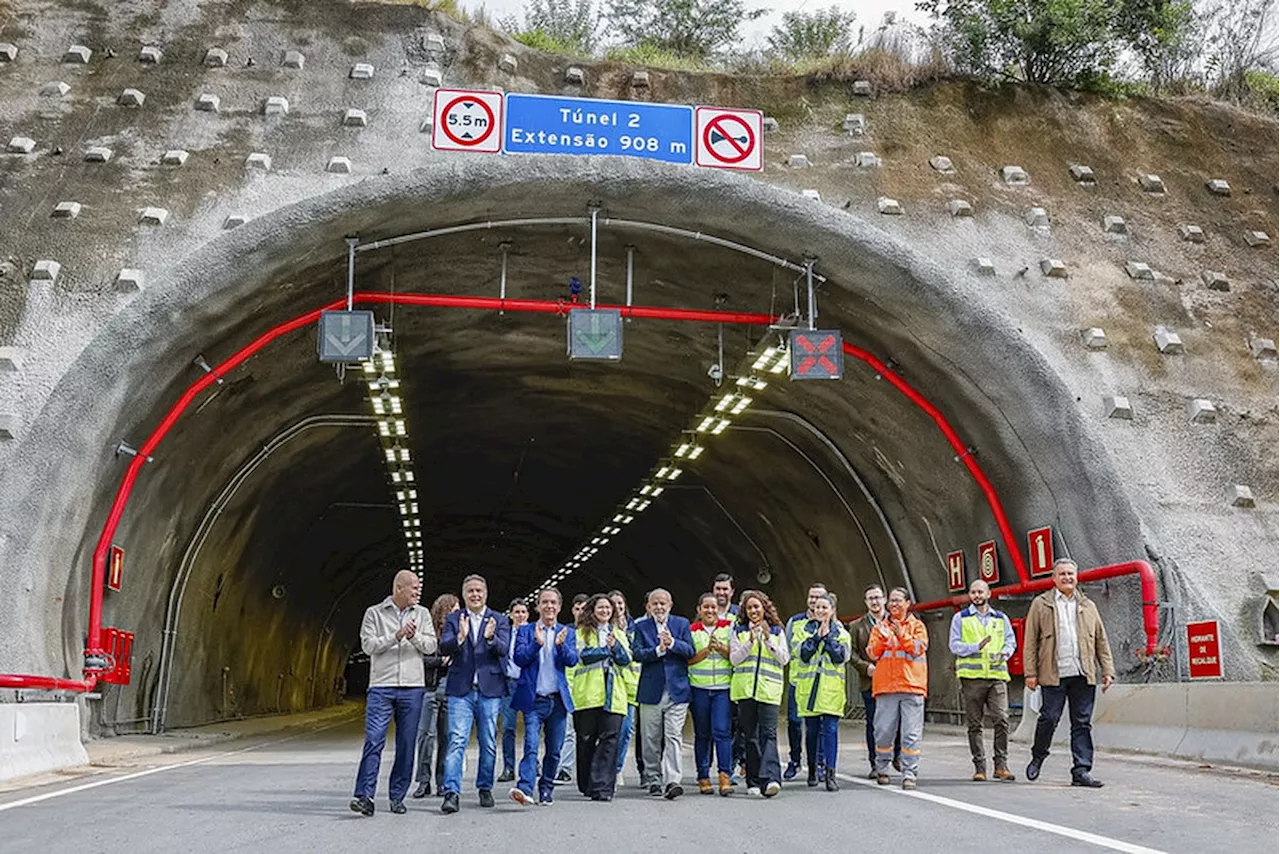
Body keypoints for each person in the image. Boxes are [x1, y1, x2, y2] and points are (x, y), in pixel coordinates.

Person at [350, 570, 438, 817]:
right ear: (399, 588)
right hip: (381, 686)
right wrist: (396, 635)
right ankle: (364, 796)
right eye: (413, 588)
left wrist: (414, 636)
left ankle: (397, 796)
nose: (418, 592)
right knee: (374, 741)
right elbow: (368, 646)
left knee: (406, 744)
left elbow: (431, 646)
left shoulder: (421, 614)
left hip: (412, 687)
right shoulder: (374, 613)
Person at [1024, 558, 1116, 788]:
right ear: (1054, 578)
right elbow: (1030, 641)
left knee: (1082, 723)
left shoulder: (1088, 606)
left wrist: (1107, 670)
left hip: (1082, 673)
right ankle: (1038, 755)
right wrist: (1030, 673)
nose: (1067, 578)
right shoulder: (1040, 604)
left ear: (1076, 577)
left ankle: (1081, 770)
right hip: (1052, 672)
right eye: (1062, 574)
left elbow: (1101, 641)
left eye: (1071, 574)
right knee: (1049, 718)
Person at [438, 574, 511, 814]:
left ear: (486, 593)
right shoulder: (453, 618)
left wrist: (490, 638)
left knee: (488, 742)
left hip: (489, 690)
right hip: (461, 690)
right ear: (464, 594)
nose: (475, 595)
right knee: (456, 740)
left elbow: (504, 650)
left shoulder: (499, 619)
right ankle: (451, 792)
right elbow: (444, 646)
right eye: (470, 591)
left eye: (479, 590)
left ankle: (485, 787)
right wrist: (459, 637)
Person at [508, 588, 577, 807]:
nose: (549, 606)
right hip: (534, 699)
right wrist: (536, 644)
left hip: (557, 701)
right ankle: (525, 787)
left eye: (553, 602)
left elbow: (573, 660)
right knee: (530, 745)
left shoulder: (567, 632)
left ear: (559, 606)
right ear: (538, 606)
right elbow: (519, 658)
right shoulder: (526, 631)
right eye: (544, 602)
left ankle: (546, 788)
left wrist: (561, 646)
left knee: (554, 750)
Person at [949, 579, 1017, 782]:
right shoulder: (960, 618)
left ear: (989, 593)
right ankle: (980, 767)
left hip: (996, 676)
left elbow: (1010, 640)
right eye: (973, 592)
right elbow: (954, 645)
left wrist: (1005, 652)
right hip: (972, 679)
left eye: (980, 592)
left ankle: (1001, 765)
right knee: (975, 724)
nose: (977, 595)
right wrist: (975, 646)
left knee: (1002, 719)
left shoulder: (1000, 618)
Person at [633, 588, 695, 800]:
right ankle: (653, 778)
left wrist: (673, 644)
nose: (659, 607)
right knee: (650, 738)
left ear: (670, 605)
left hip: (677, 691)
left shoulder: (681, 624)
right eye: (655, 603)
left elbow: (690, 651)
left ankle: (673, 780)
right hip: (651, 691)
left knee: (673, 736)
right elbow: (637, 653)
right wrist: (658, 650)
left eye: (663, 603)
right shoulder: (641, 627)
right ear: (649, 607)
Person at [569, 593, 632, 801]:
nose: (605, 611)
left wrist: (615, 648)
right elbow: (583, 656)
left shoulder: (619, 633)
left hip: (613, 695)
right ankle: (587, 783)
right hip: (588, 695)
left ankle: (603, 787)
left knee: (610, 741)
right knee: (586, 741)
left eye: (608, 607)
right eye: (601, 607)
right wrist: (607, 650)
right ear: (592, 611)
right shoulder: (581, 633)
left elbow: (625, 659)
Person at [867, 587, 928, 790]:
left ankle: (909, 773)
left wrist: (902, 635)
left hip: (912, 687)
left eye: (897, 600)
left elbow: (918, 648)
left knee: (911, 733)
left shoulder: (917, 626)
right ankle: (882, 768)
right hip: (886, 688)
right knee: (883, 732)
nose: (893, 604)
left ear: (907, 603)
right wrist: (885, 638)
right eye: (891, 601)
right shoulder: (879, 628)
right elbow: (872, 653)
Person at [730, 589, 789, 798]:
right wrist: (751, 641)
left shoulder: (776, 631)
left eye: (757, 606)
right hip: (746, 691)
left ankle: (772, 778)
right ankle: (753, 781)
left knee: (769, 735)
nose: (754, 610)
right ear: (745, 611)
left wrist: (767, 640)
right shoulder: (739, 631)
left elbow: (784, 659)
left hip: (769, 690)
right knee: (750, 737)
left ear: (764, 608)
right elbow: (734, 659)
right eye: (750, 608)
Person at [797, 592, 850, 791]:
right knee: (811, 732)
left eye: (824, 608)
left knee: (830, 731)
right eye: (817, 607)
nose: (820, 611)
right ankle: (812, 769)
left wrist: (827, 638)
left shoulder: (842, 633)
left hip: (831, 691)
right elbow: (803, 654)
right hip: (809, 690)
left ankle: (830, 773)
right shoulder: (803, 630)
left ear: (832, 610)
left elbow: (840, 657)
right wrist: (817, 637)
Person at [848, 584, 900, 779]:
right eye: (871, 598)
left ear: (885, 599)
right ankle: (876, 762)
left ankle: (897, 755)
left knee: (897, 720)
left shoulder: (896, 622)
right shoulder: (857, 626)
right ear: (866, 602)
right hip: (870, 681)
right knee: (874, 723)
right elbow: (850, 653)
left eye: (878, 597)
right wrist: (865, 667)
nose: (875, 602)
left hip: (895, 681)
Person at [688, 592, 735, 795]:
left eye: (713, 607)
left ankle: (725, 775)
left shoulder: (729, 627)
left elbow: (737, 655)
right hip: (699, 688)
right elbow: (687, 659)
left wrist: (721, 648)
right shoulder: (691, 631)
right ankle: (703, 776)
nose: (710, 611)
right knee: (703, 734)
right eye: (706, 607)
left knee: (722, 731)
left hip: (723, 689)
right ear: (699, 609)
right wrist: (705, 652)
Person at [412, 593, 458, 799]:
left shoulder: (460, 631)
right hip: (429, 688)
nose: (458, 613)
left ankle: (441, 781)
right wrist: (440, 661)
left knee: (446, 737)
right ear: (445, 610)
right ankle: (423, 781)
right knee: (426, 737)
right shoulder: (428, 631)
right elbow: (419, 659)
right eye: (454, 609)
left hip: (450, 689)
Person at [783, 582, 828, 781]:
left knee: (817, 725)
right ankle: (794, 760)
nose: (814, 601)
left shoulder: (831, 624)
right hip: (798, 681)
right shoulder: (795, 621)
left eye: (819, 597)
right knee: (794, 721)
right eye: (812, 597)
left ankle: (819, 762)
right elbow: (788, 648)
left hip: (820, 683)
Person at [712, 573, 746, 779]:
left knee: (740, 725)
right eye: (718, 589)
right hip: (712, 681)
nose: (721, 593)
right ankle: (719, 766)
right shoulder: (707, 612)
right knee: (721, 727)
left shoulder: (738, 615)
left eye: (725, 589)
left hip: (737, 678)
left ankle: (736, 762)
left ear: (732, 592)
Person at [556, 593, 590, 785]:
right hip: (569, 686)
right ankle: (565, 768)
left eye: (584, 609)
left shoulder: (593, 633)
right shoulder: (565, 632)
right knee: (568, 730)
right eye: (577, 609)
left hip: (589, 689)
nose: (580, 613)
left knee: (587, 733)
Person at [609, 589, 641, 786]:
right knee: (611, 731)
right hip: (613, 686)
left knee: (627, 730)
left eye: (620, 603)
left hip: (633, 686)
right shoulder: (605, 630)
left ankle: (617, 768)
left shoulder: (635, 628)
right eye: (614, 604)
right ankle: (608, 766)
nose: (618, 607)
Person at [497, 599, 529, 783]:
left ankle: (531, 764)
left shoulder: (534, 632)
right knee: (508, 727)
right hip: (508, 684)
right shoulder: (505, 634)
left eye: (523, 612)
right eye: (517, 612)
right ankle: (508, 767)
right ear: (510, 614)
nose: (520, 615)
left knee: (530, 726)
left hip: (527, 684)